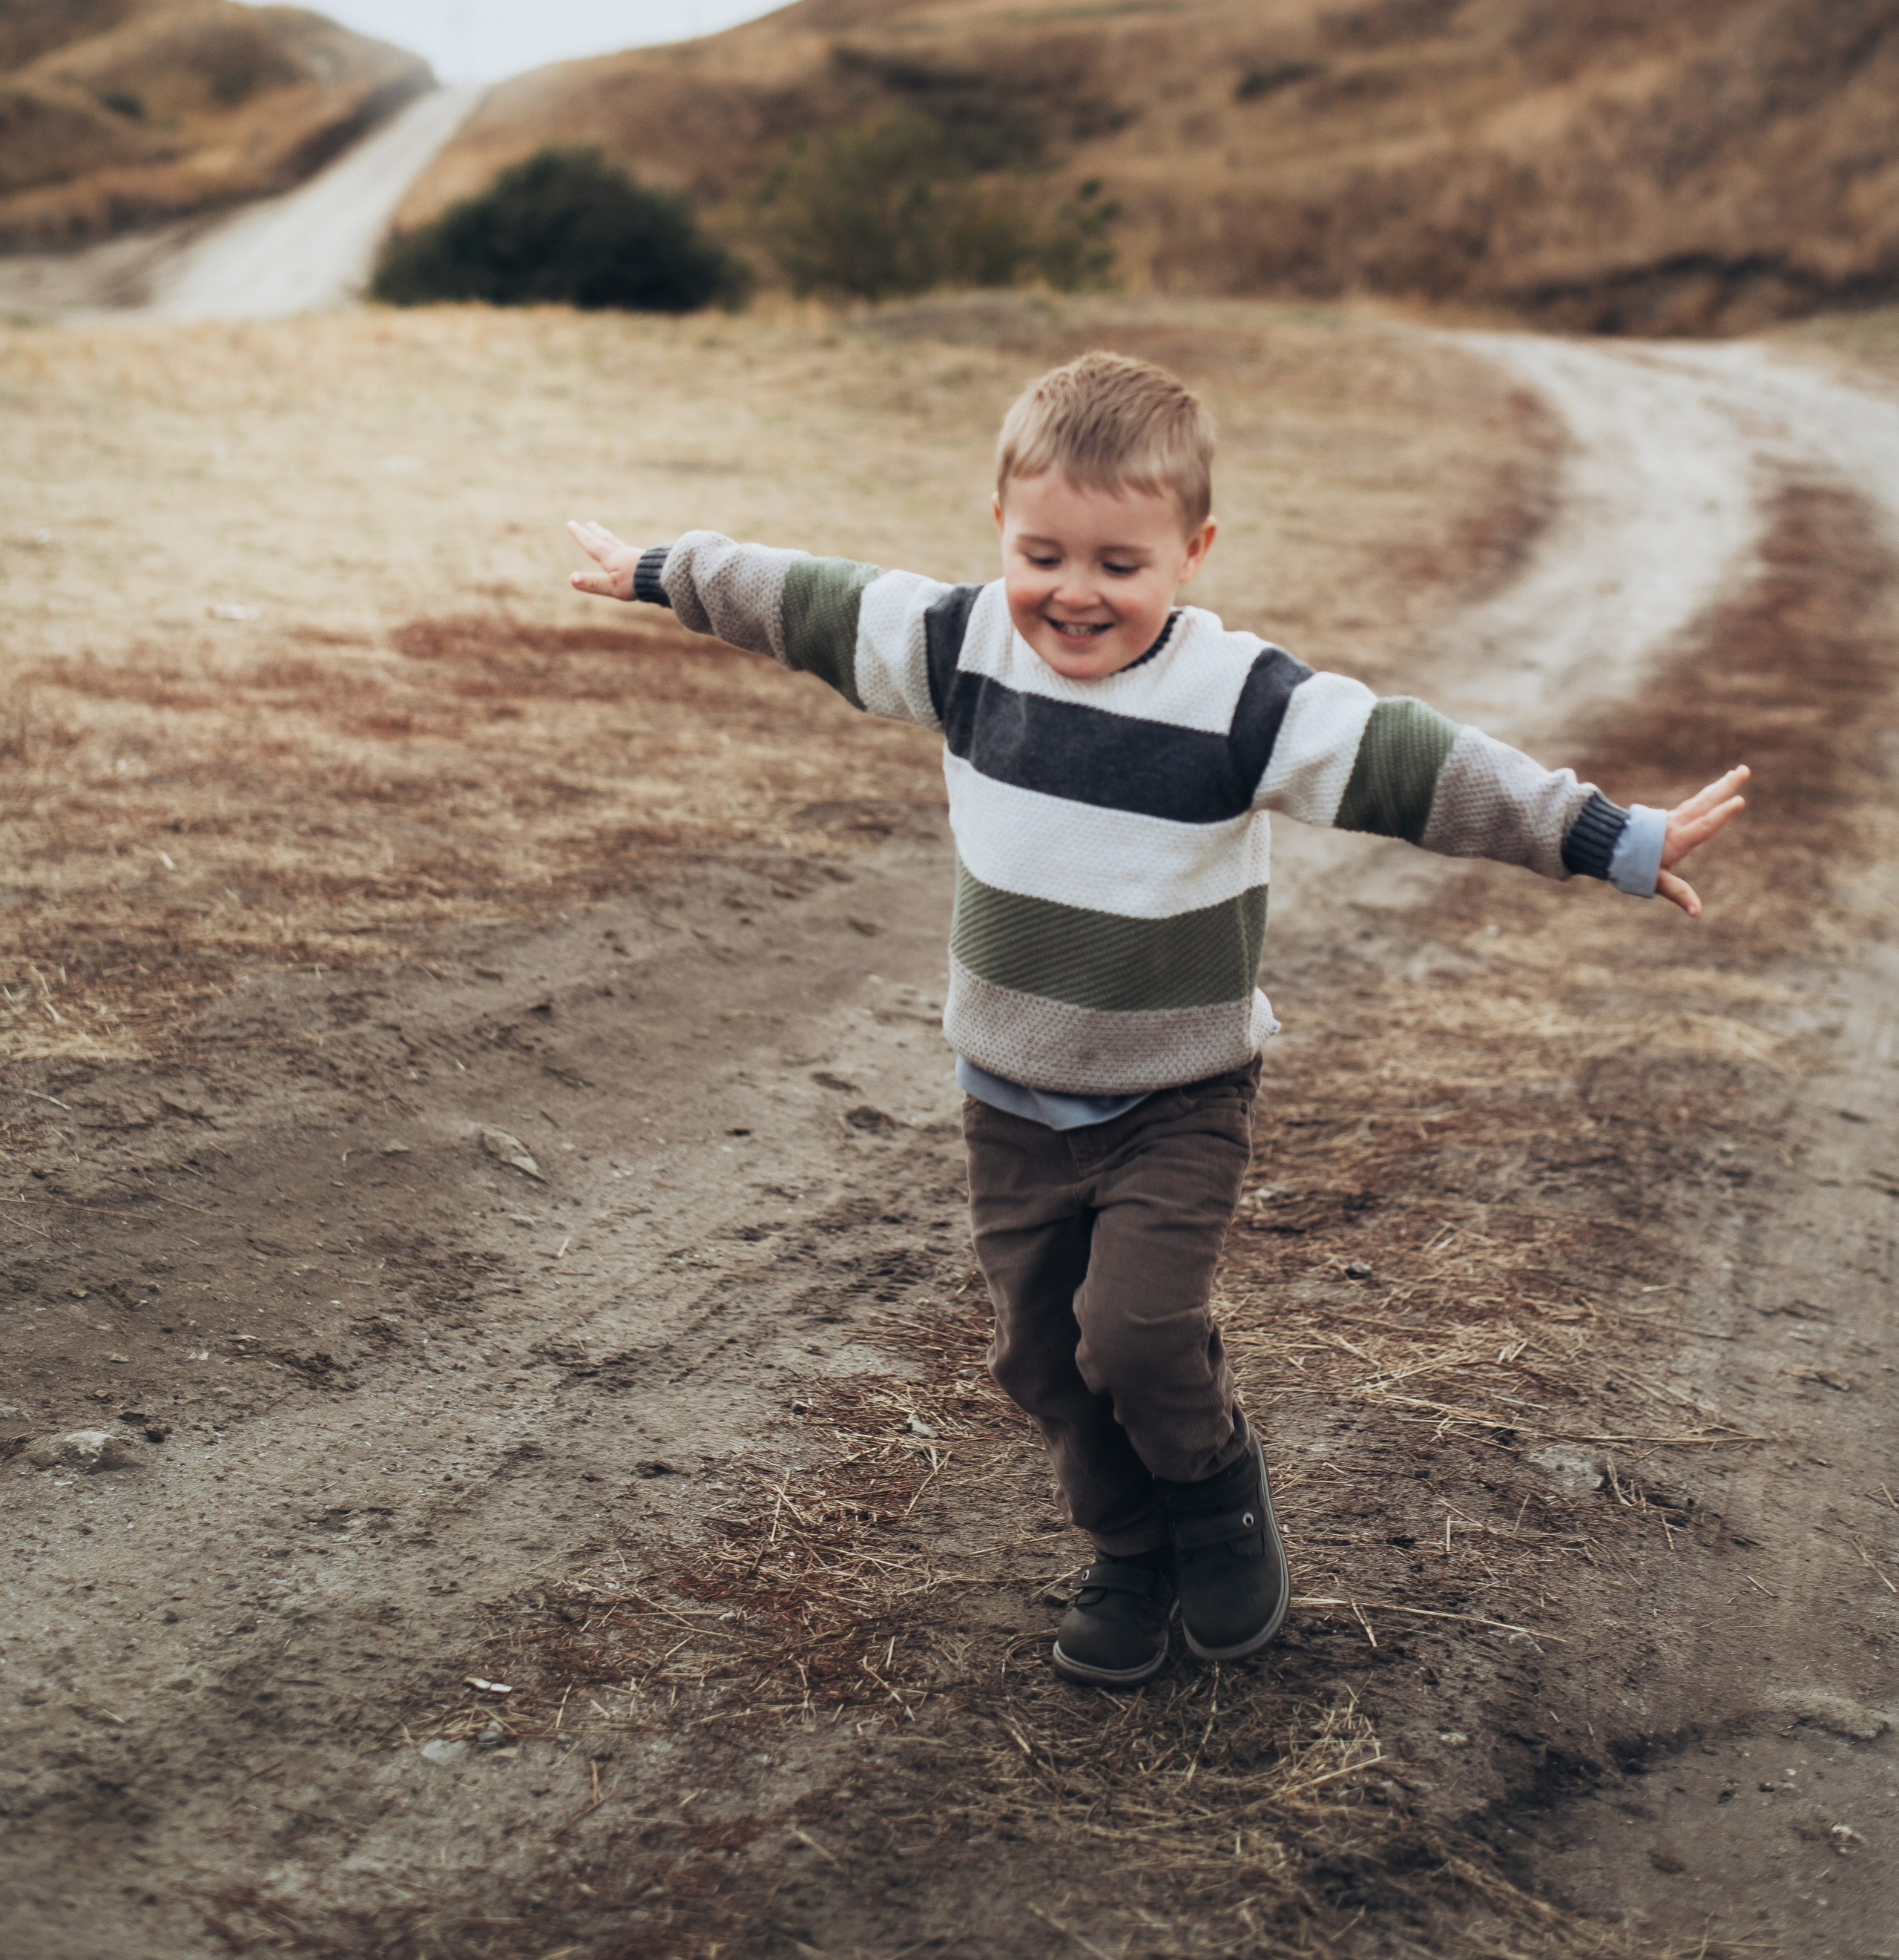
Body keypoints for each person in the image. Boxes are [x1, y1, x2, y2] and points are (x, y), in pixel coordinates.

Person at [566, 351, 1747, 1688]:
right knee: (1041, 1360)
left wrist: (1602, 834)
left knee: (1131, 1333)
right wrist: (668, 572)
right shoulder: (960, 647)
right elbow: (811, 598)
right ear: (1000, 531)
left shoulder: (1242, 703)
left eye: (1120, 564)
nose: (1076, 591)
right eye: (1045, 552)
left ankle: (1217, 1500)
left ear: (1193, 551)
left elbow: (1416, 764)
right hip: (1010, 1098)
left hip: (1177, 1097)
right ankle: (1128, 1551)